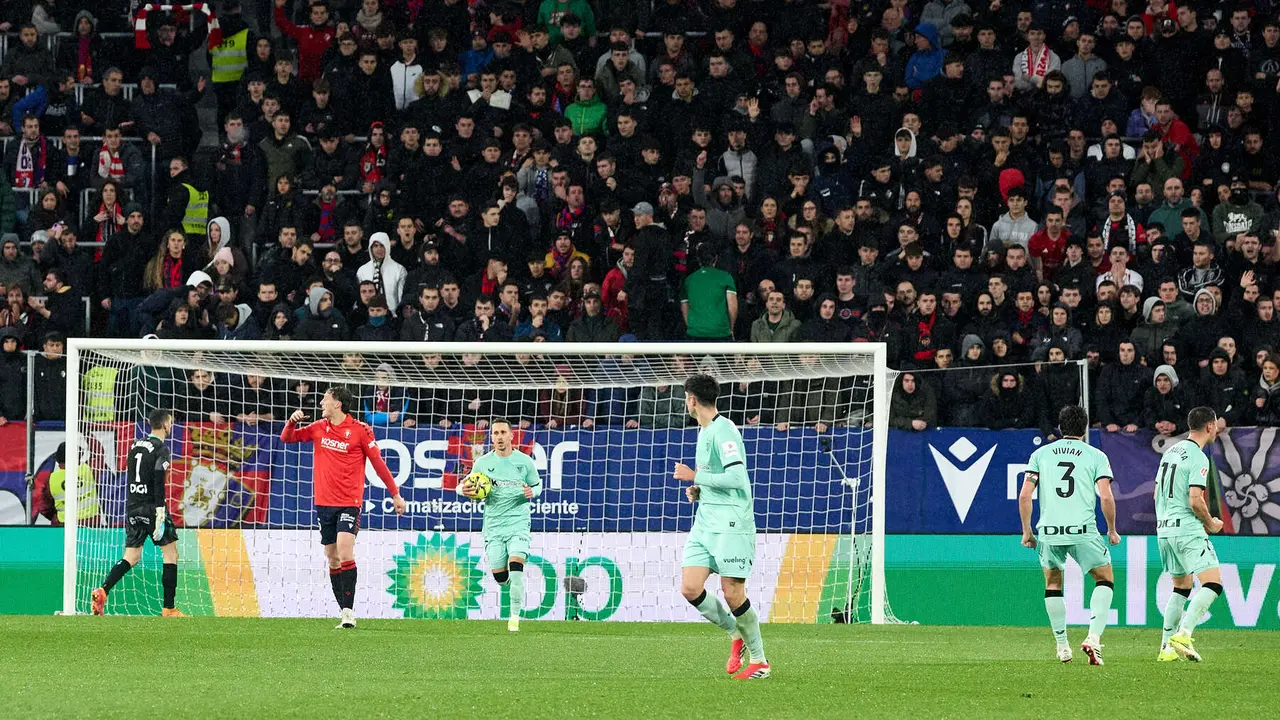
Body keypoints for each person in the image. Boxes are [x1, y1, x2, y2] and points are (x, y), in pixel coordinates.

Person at [280, 387, 407, 629]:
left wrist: (395, 494)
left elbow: (378, 464)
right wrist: (291, 422)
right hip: (323, 503)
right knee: (332, 558)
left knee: (345, 551)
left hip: (349, 502)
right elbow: (287, 438)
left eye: (325, 399)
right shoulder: (318, 427)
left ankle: (349, 612)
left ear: (337, 404)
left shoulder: (360, 430)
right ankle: (344, 611)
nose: (320, 402)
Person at [673, 373, 769, 680]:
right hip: (706, 521)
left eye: (685, 398)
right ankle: (734, 633)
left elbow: (738, 479)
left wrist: (694, 477)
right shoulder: (704, 431)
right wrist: (699, 490)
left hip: (731, 522)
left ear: (691, 400)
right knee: (690, 587)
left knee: (732, 593)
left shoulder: (724, 431)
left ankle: (760, 661)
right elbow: (716, 478)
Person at [1018, 405, 1120, 665]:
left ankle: (1062, 646)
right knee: (1104, 578)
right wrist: (1111, 529)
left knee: (1053, 584)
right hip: (1083, 530)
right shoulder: (1096, 456)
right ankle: (1093, 638)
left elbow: (1025, 495)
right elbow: (1106, 496)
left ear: (1060, 427)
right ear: (1085, 429)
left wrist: (1028, 531)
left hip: (1050, 532)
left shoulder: (1040, 454)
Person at [90, 409, 184, 617]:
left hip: (133, 506)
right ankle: (169, 608)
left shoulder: (135, 445)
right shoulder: (161, 448)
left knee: (131, 556)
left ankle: (103, 590)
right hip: (152, 507)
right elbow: (159, 477)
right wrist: (160, 511)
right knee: (170, 554)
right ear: (166, 424)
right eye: (171, 422)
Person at [1155, 406, 1227, 663]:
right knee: (1213, 583)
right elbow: (1196, 500)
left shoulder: (1169, 452)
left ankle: (1166, 648)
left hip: (1164, 529)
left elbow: (1157, 494)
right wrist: (1210, 523)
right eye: (1216, 424)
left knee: (1181, 587)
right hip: (1187, 529)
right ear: (1209, 426)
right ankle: (1184, 633)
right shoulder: (1198, 456)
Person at [457, 419, 543, 632]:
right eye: (495, 433)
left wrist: (534, 492)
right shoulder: (482, 464)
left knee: (516, 569)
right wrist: (463, 491)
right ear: (492, 437)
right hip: (494, 527)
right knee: (501, 577)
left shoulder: (524, 462)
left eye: (503, 432)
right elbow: (463, 486)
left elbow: (537, 484)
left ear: (512, 436)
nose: (499, 436)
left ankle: (514, 617)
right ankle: (507, 582)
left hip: (518, 522)